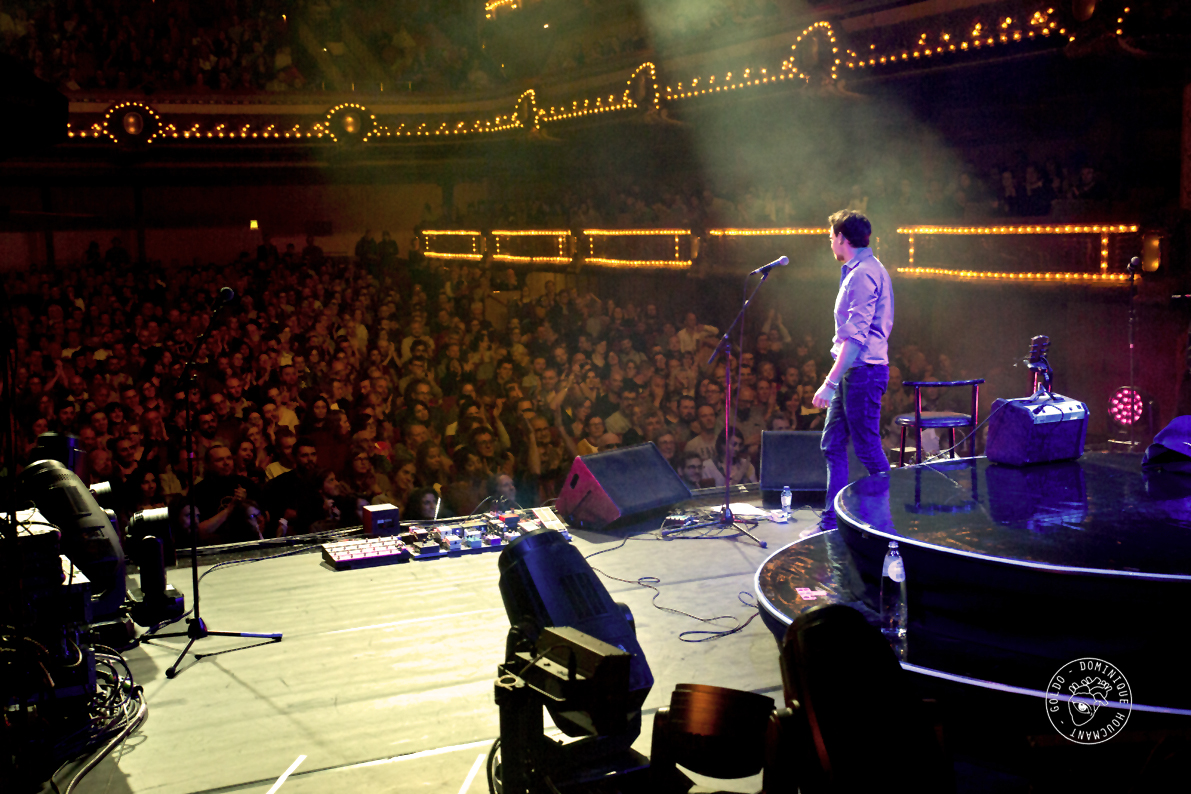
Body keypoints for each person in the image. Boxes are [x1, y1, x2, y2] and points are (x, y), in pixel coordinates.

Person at [811, 210, 894, 535]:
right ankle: (832, 523)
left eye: (831, 236)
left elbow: (856, 339)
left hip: (863, 372)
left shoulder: (863, 275)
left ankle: (886, 527)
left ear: (842, 238)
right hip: (856, 372)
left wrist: (829, 383)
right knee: (833, 443)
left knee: (868, 448)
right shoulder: (860, 270)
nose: (830, 241)